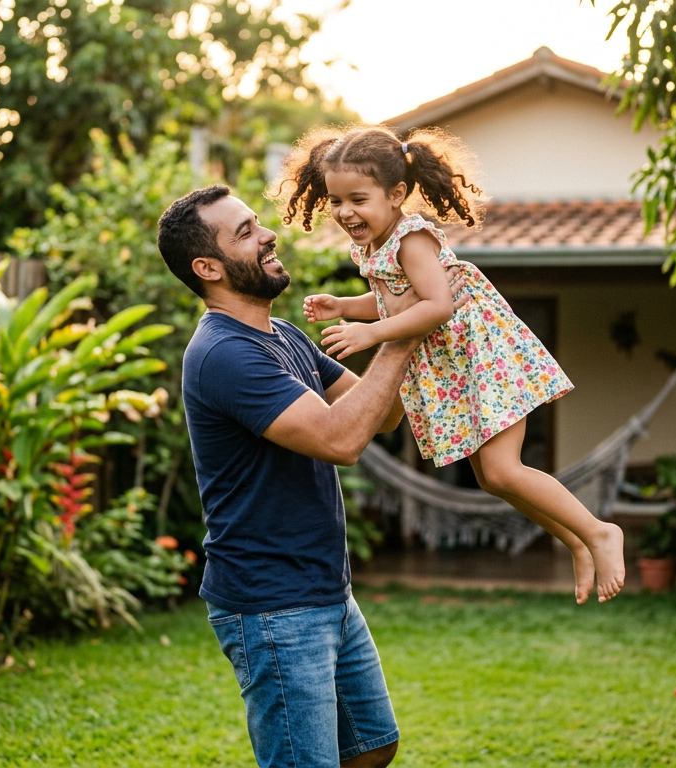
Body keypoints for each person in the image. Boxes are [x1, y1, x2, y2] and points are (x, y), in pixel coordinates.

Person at [157, 185, 465, 767]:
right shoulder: (225, 354)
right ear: (208, 267)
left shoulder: (284, 338)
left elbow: (383, 414)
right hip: (271, 603)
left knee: (374, 746)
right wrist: (405, 324)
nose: (268, 233)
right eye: (245, 232)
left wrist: (399, 315)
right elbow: (341, 440)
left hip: (324, 588)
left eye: (257, 223)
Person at [275, 124, 626, 604]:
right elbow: (397, 298)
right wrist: (345, 304)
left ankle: (600, 532)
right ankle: (576, 540)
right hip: (458, 363)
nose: (344, 212)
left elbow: (437, 305)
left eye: (357, 198)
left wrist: (371, 332)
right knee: (492, 477)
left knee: (502, 472)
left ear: (397, 193)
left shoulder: (411, 238)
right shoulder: (375, 244)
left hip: (484, 358)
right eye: (336, 201)